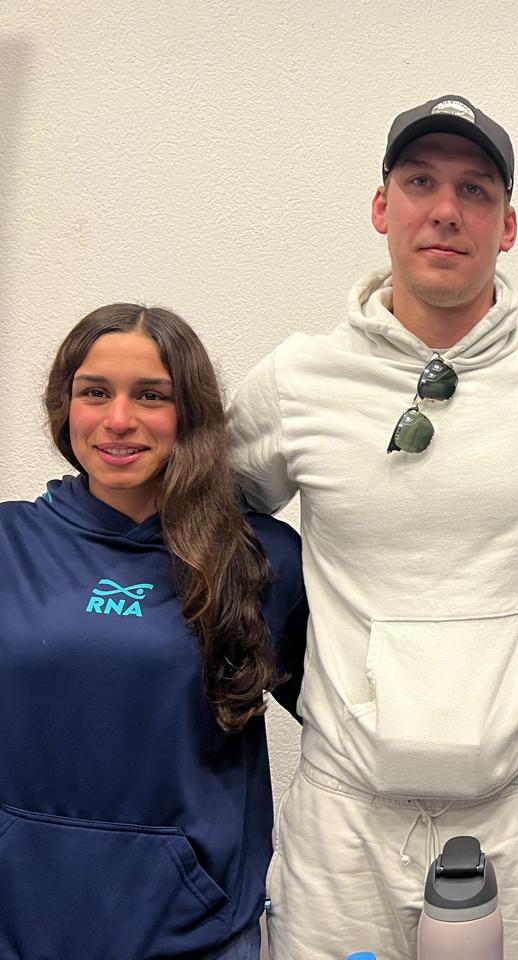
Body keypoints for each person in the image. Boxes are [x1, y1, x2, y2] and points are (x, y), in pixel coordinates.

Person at [228, 95, 518, 960]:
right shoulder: (299, 379)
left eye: (475, 190)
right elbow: (207, 523)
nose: (446, 209)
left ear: (507, 226)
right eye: (421, 182)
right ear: (381, 207)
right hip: (347, 819)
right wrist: (295, 658)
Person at [0, 303, 307, 960]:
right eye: (94, 392)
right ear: (65, 407)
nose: (118, 419)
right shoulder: (8, 543)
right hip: (16, 926)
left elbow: (354, 718)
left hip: (194, 930)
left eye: (150, 396)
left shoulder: (259, 558)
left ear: (189, 413)